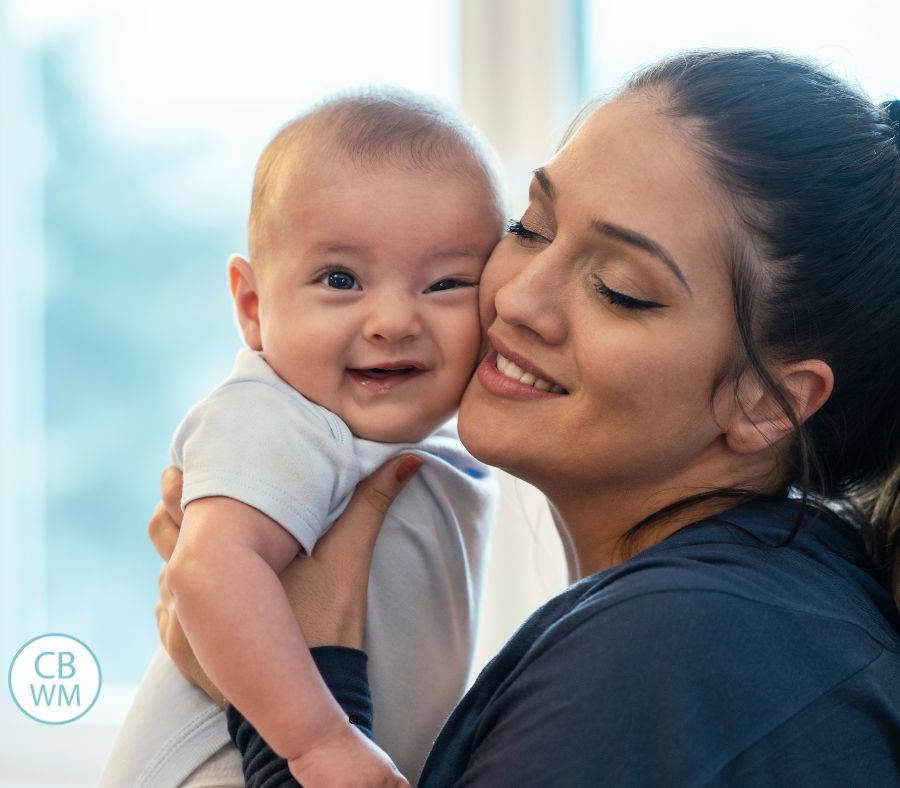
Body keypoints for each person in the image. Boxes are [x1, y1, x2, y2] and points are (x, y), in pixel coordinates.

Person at [151, 49, 900, 785]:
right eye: (532, 228)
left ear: (767, 402)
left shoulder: (676, 647)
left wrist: (296, 687)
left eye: (619, 288)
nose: (513, 297)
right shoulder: (770, 606)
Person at [98, 89, 506, 787]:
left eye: (444, 283)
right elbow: (205, 570)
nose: (393, 320)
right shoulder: (277, 414)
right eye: (341, 279)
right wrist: (319, 741)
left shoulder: (431, 442)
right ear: (254, 308)